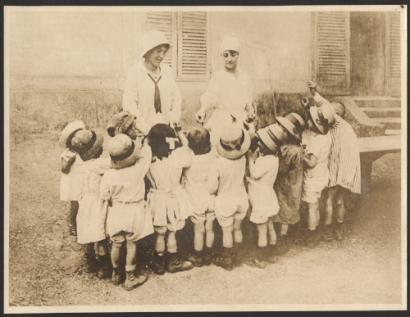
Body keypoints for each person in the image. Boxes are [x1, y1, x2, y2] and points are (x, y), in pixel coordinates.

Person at [307, 81, 361, 241]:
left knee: (331, 199)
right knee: (339, 200)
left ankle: (329, 230)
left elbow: (325, 108)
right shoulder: (342, 127)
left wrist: (314, 93)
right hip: (347, 168)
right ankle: (338, 228)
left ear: (337, 113)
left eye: (332, 109)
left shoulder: (336, 121)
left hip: (342, 167)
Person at [100, 134, 154, 290]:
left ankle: (116, 273)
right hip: (134, 211)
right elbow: (146, 157)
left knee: (116, 243)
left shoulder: (109, 175)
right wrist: (146, 143)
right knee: (131, 244)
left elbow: (104, 195)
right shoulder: (137, 170)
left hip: (116, 211)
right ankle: (130, 277)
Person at [146, 123, 194, 275]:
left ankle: (159, 262)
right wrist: (180, 133)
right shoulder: (178, 157)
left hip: (157, 198)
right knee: (172, 231)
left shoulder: (148, 160)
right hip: (174, 197)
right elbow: (188, 149)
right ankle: (173, 261)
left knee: (160, 232)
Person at [208, 115, 251, 270]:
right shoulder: (243, 159)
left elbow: (212, 188)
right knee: (237, 228)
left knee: (227, 231)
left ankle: (227, 259)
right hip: (241, 198)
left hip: (225, 200)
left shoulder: (218, 164)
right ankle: (237, 255)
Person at [195, 36, 256, 145]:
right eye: (225, 55)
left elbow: (248, 100)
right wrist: (202, 109)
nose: (229, 59)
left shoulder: (245, 77)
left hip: (241, 120)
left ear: (238, 55)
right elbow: (210, 96)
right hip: (222, 120)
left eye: (233, 55)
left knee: (243, 147)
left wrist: (250, 110)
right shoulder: (218, 77)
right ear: (221, 56)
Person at [245, 123, 289, 268]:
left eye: (261, 143)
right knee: (270, 226)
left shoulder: (264, 160)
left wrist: (251, 159)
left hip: (260, 198)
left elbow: (255, 173)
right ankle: (272, 253)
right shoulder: (274, 159)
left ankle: (261, 258)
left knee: (261, 229)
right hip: (269, 195)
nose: (258, 145)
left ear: (266, 146)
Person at [122, 30, 182, 134]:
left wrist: (173, 120)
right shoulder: (135, 72)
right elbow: (129, 105)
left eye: (164, 52)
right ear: (148, 51)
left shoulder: (167, 72)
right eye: (158, 51)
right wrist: (146, 130)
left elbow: (177, 99)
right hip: (143, 132)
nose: (162, 56)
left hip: (166, 131)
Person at [75, 130, 111, 278]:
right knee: (100, 233)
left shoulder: (80, 167)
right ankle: (104, 266)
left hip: (84, 202)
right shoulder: (100, 164)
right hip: (97, 201)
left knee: (86, 231)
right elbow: (114, 163)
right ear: (97, 150)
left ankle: (90, 262)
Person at [300, 95, 334, 247]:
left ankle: (311, 235)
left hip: (313, 178)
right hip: (323, 176)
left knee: (312, 208)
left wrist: (302, 156)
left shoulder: (314, 142)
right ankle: (319, 231)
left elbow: (312, 163)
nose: (310, 122)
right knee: (318, 205)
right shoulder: (326, 136)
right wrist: (307, 108)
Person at [183, 127, 217, 267]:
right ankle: (209, 253)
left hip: (196, 199)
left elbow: (186, 147)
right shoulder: (212, 157)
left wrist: (181, 134)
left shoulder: (189, 158)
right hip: (210, 197)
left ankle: (198, 255)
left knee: (199, 229)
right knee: (210, 228)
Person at [273, 113, 306, 253]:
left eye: (283, 128)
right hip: (295, 180)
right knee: (291, 205)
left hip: (287, 182)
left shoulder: (290, 151)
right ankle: (290, 231)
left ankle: (283, 236)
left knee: (285, 206)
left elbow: (282, 169)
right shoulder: (297, 149)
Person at [59, 120, 88, 237]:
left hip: (84, 180)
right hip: (73, 181)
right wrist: (69, 162)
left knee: (85, 202)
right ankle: (72, 223)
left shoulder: (85, 152)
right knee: (75, 203)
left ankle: (83, 222)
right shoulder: (67, 153)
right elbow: (64, 169)